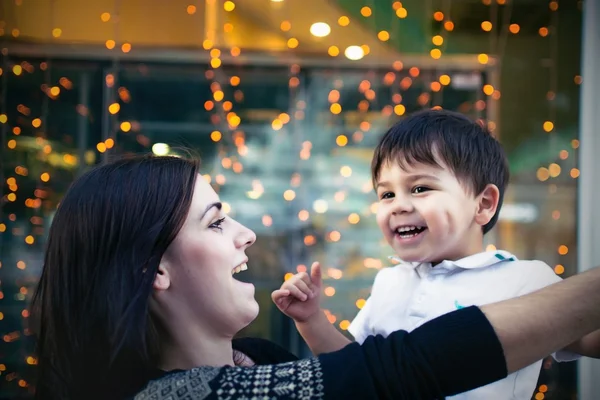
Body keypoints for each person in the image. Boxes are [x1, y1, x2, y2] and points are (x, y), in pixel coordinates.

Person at [30, 155, 600, 400]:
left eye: (421, 188)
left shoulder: (258, 358)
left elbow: (353, 374)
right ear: (154, 268)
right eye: (216, 220)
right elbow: (391, 375)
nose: (246, 233)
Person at [273, 110, 600, 399]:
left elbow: (586, 337)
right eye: (387, 193)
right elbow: (359, 374)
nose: (399, 205)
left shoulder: (526, 280)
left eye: (420, 188)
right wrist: (311, 319)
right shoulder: (388, 281)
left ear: (483, 204)